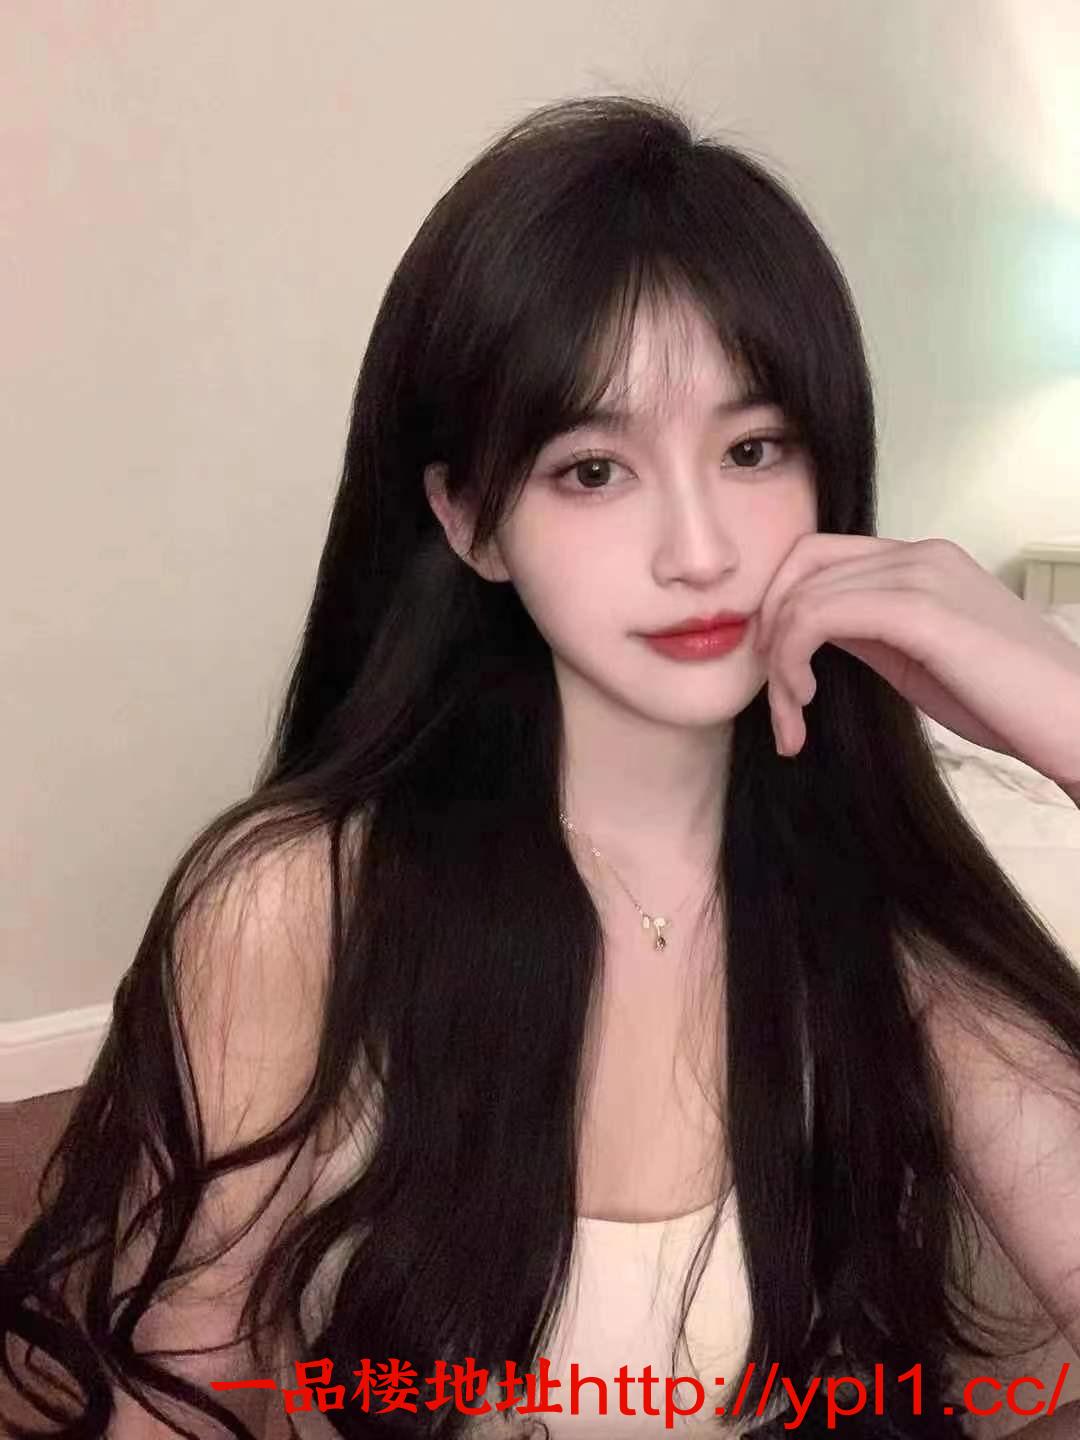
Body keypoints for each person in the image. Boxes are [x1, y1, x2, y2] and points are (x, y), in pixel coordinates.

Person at [3, 92, 1080, 1440]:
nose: (698, 550)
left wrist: (1066, 713)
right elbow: (179, 1402)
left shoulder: (876, 876)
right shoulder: (300, 905)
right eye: (592, 470)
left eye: (752, 451)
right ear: (471, 520)